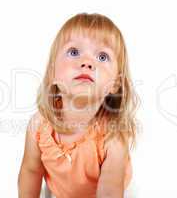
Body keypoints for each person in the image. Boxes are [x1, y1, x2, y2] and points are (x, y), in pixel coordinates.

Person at [18, 12, 140, 198]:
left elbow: (109, 190)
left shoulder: (113, 135)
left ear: (115, 84)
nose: (87, 63)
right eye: (74, 52)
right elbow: (31, 171)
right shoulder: (39, 125)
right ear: (52, 73)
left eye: (102, 57)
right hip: (59, 191)